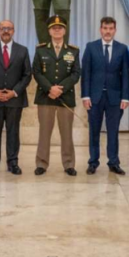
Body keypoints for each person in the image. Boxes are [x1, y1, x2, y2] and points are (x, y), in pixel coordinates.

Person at [0, 20, 32, 175]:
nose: (6, 31)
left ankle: (13, 163)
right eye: (3, 28)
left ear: (13, 31)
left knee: (13, 132)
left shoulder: (22, 50)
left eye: (9, 28)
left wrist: (14, 92)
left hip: (14, 100)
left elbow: (27, 75)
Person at [81, 16, 129, 175]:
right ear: (100, 29)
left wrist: (125, 97)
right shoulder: (91, 47)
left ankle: (113, 162)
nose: (108, 31)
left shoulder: (122, 49)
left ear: (115, 30)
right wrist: (85, 96)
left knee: (113, 131)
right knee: (94, 131)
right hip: (94, 98)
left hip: (115, 98)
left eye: (110, 29)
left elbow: (125, 75)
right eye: (105, 28)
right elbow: (85, 72)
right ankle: (93, 162)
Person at [33, 15, 80, 176]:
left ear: (65, 31)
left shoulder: (73, 51)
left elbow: (76, 74)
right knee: (44, 133)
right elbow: (36, 72)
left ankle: (69, 164)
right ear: (49, 31)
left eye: (60, 28)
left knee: (66, 134)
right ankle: (41, 163)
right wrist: (49, 89)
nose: (57, 30)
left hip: (65, 97)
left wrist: (61, 89)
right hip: (45, 97)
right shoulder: (40, 50)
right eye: (54, 28)